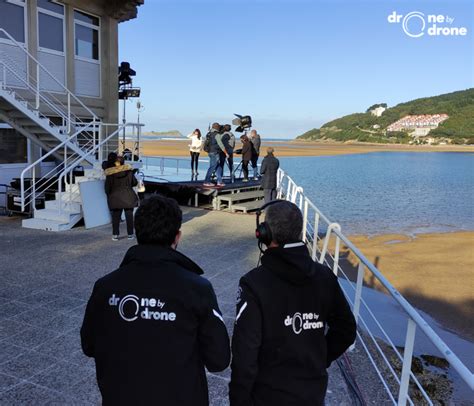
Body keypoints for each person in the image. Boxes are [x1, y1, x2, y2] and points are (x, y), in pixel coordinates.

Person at [81, 195, 231, 405]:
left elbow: (88, 345)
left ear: (138, 233)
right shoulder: (197, 288)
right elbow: (219, 359)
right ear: (177, 237)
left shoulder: (105, 286)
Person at [229, 200, 357, 406]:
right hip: (312, 392)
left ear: (264, 233)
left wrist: (238, 400)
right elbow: (347, 329)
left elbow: (245, 354)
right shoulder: (325, 276)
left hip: (267, 394)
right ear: (299, 232)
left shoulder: (253, 284)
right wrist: (319, 358)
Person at [104, 156, 138, 241]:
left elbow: (107, 188)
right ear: (123, 162)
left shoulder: (110, 173)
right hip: (128, 195)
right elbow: (134, 183)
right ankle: (130, 234)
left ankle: (115, 235)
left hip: (115, 197)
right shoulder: (129, 172)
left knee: (116, 217)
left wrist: (110, 195)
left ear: (115, 163)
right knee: (129, 216)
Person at [204, 123, 226, 187]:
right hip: (215, 152)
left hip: (210, 152)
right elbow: (221, 145)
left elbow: (206, 142)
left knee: (218, 167)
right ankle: (206, 181)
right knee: (212, 167)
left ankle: (219, 181)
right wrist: (226, 153)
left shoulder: (209, 133)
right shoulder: (217, 134)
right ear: (217, 128)